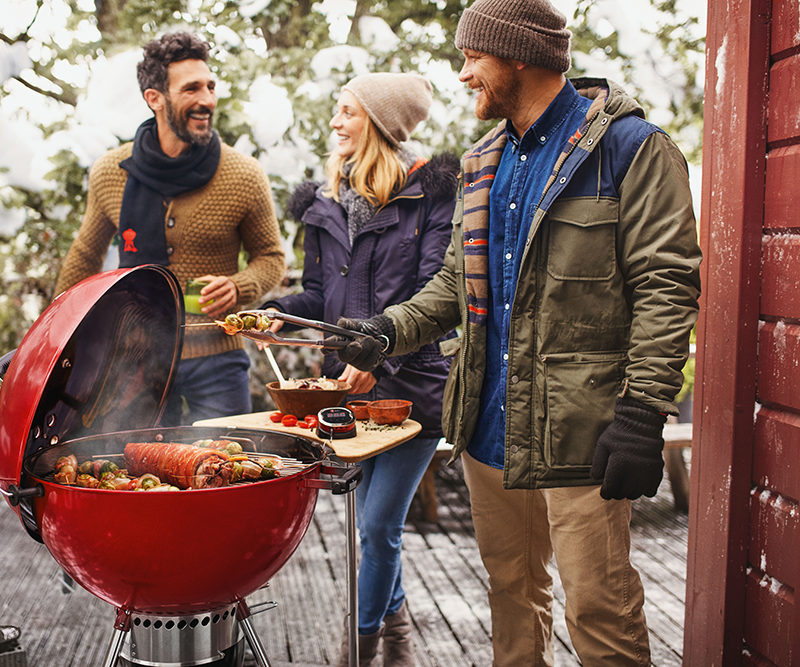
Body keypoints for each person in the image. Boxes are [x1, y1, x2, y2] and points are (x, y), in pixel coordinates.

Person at [328, 1, 702, 664]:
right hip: (489, 431)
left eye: (474, 56)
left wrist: (644, 411)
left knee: (600, 612)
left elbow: (666, 289)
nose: (463, 72)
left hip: (582, 436)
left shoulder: (630, 149)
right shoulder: (481, 162)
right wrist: (386, 331)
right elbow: (453, 286)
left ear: (519, 55)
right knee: (512, 599)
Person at [259, 72, 458, 667]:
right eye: (337, 110)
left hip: (411, 390)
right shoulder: (323, 207)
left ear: (379, 122)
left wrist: (383, 357)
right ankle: (396, 641)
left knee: (375, 528)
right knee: (374, 531)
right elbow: (320, 297)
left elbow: (434, 297)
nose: (336, 122)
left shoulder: (431, 197)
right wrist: (274, 314)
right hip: (345, 393)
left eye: (348, 111)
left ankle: (358, 649)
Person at [53, 31, 285, 426]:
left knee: (224, 470)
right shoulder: (111, 172)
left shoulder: (244, 174)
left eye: (211, 86)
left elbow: (271, 258)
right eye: (192, 88)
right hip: (135, 360)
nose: (208, 100)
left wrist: (238, 286)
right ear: (155, 99)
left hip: (217, 359)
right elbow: (85, 255)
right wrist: (55, 334)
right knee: (136, 474)